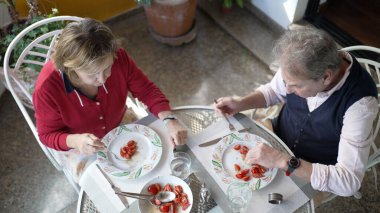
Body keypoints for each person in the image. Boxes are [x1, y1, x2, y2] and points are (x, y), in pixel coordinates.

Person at [214, 27, 378, 197]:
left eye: (296, 85)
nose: (287, 90)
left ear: (326, 77)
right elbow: (274, 91)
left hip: (313, 168)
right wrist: (240, 103)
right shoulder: (300, 60)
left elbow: (348, 182)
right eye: (285, 81)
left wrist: (280, 159)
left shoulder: (361, 105)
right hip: (277, 133)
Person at [33, 18, 188, 181]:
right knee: (103, 189)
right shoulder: (46, 88)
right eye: (92, 74)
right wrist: (76, 140)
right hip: (79, 144)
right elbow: (47, 135)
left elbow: (146, 89)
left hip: (120, 121)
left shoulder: (118, 56)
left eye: (107, 68)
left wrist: (169, 119)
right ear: (70, 68)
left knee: (160, 162)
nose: (102, 79)